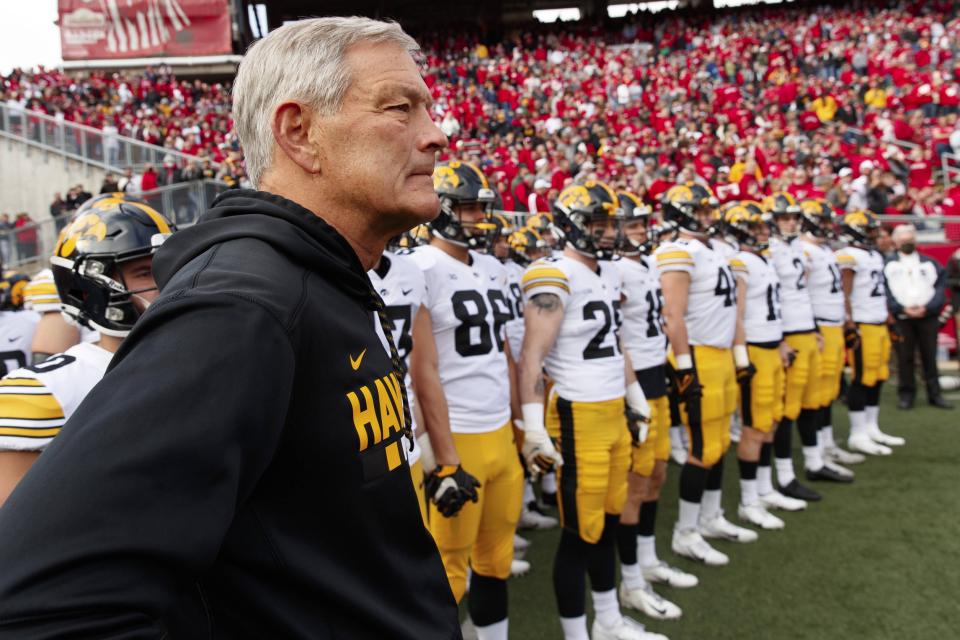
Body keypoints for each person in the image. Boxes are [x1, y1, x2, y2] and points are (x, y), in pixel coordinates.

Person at [0, 17, 460, 638]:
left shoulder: (318, 279)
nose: (438, 133)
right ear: (299, 133)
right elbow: (42, 606)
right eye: (400, 108)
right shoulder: (242, 309)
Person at [520, 181, 664, 640]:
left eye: (609, 222)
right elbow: (532, 357)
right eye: (597, 222)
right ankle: (577, 632)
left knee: (607, 521)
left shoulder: (607, 273)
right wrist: (534, 426)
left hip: (610, 413)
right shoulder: (553, 273)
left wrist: (634, 396)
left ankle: (609, 620)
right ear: (572, 224)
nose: (607, 231)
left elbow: (615, 344)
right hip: (578, 416)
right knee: (579, 532)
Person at [0, 197, 175, 506]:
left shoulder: (205, 357)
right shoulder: (47, 392)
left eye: (172, 266)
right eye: (146, 272)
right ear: (94, 285)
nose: (169, 282)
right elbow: (17, 535)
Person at [409, 160, 520, 640]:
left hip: (499, 431)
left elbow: (505, 352)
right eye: (470, 208)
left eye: (480, 208)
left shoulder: (493, 266)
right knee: (448, 570)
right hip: (459, 434)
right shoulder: (420, 267)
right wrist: (437, 453)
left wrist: (524, 422)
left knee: (497, 559)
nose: (479, 218)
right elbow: (418, 369)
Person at [656, 185, 755, 571]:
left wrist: (740, 356)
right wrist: (683, 367)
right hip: (697, 353)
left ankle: (711, 517)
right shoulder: (678, 251)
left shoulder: (718, 251)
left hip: (721, 355)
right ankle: (685, 532)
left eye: (708, 208)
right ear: (680, 214)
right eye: (698, 209)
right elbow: (673, 316)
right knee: (700, 449)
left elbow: (732, 312)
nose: (708, 215)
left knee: (717, 445)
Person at [614, 191, 691, 622]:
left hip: (656, 373)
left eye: (644, 223)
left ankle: (646, 560)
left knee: (657, 472)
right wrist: (633, 390)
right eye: (633, 224)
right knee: (635, 480)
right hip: (635, 380)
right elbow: (616, 334)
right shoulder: (614, 270)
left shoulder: (643, 265)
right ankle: (631, 582)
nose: (641, 231)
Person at [723, 204, 806, 531]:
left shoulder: (763, 259)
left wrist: (782, 341)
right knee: (754, 427)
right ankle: (748, 500)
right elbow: (737, 315)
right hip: (755, 350)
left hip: (771, 347)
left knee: (770, 422)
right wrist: (741, 356)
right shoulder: (740, 262)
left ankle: (764, 488)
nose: (762, 232)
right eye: (754, 228)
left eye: (762, 227)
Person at [798, 199, 865, 468]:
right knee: (816, 392)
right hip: (820, 326)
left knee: (829, 390)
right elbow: (798, 293)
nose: (828, 226)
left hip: (834, 324)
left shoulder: (823, 250)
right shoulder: (805, 251)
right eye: (823, 221)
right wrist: (812, 326)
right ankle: (816, 452)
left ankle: (827, 445)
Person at [837, 211, 905, 456]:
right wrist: (850, 323)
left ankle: (871, 427)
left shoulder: (874, 255)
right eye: (869, 230)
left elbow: (877, 291)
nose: (874, 234)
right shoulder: (849, 256)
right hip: (862, 324)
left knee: (878, 376)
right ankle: (857, 433)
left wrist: (888, 317)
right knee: (861, 378)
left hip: (877, 322)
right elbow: (844, 294)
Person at [884, 224, 952, 409]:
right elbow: (885, 290)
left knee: (929, 356)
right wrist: (900, 308)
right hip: (902, 317)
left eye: (910, 240)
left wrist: (928, 307)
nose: (907, 243)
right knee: (904, 357)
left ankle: (934, 394)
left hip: (927, 316)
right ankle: (906, 395)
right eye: (904, 241)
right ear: (896, 242)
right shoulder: (889, 264)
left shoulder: (929, 262)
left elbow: (940, 288)